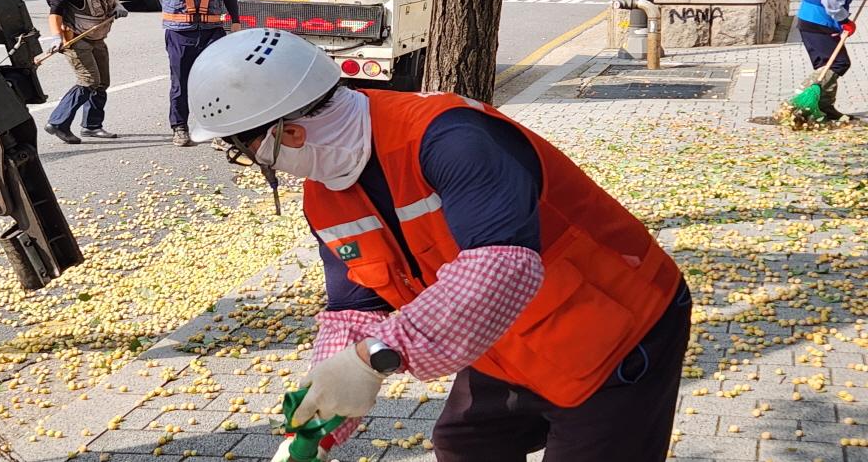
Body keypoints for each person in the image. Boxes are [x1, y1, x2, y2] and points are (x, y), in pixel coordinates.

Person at [188, 29, 690, 462]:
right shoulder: (326, 196)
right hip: (509, 333)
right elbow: (354, 308)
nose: (253, 163)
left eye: (243, 148)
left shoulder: (451, 138)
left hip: (617, 327)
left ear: (288, 133)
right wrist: (321, 417)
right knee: (467, 443)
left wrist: (372, 358)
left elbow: (502, 268)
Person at [150, 0, 241, 147]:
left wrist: (236, 20)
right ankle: (179, 128)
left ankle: (217, 131)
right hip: (180, 31)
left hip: (212, 29)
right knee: (180, 81)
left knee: (216, 80)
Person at [44, 0, 127, 144]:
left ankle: (92, 126)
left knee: (102, 83)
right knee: (88, 81)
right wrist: (55, 37)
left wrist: (117, 6)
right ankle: (58, 122)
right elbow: (55, 12)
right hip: (76, 37)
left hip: (97, 36)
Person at [796, 0, 868, 121]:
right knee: (838, 62)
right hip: (820, 22)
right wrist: (845, 21)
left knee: (825, 63)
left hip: (808, 18)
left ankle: (825, 107)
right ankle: (800, 100)